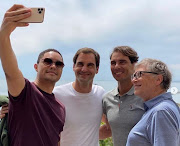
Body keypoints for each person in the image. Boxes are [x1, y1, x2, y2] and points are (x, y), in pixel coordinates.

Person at [0, 4, 65, 146]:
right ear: (36, 67)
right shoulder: (25, 92)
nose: (53, 66)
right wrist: (4, 35)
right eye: (47, 61)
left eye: (59, 64)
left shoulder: (61, 107)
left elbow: (56, 140)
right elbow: (11, 72)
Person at [53, 47, 105, 146]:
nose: (84, 69)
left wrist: (90, 136)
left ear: (97, 69)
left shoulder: (100, 94)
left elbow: (112, 125)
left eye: (90, 65)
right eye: (80, 64)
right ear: (74, 66)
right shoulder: (57, 94)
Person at [126, 58, 180, 146]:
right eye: (134, 75)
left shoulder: (161, 111)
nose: (133, 80)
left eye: (139, 74)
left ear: (158, 79)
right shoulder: (160, 108)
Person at [99, 46, 145, 146]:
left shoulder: (146, 96)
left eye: (122, 62)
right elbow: (110, 129)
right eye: (113, 63)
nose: (116, 66)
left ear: (134, 65)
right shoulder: (107, 99)